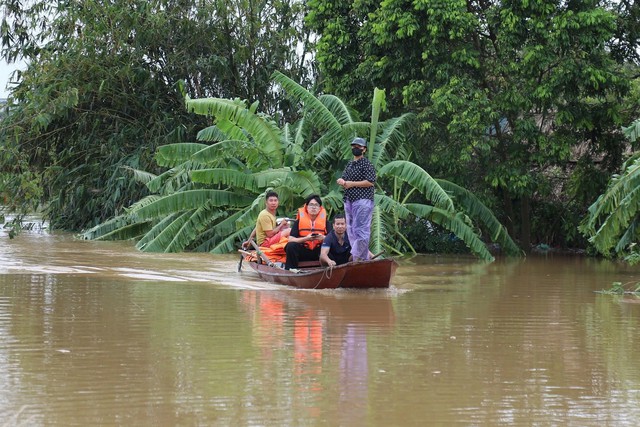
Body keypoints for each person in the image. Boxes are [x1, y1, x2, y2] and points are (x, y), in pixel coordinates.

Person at [336, 137, 376, 261]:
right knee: (351, 230)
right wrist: (342, 181)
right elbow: (344, 179)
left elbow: (370, 182)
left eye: (358, 147)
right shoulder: (350, 164)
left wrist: (351, 183)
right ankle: (364, 256)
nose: (355, 148)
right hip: (349, 200)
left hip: (362, 200)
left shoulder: (367, 164)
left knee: (362, 230)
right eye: (353, 146)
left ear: (364, 149)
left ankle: (357, 256)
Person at [285, 195, 330, 270]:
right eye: (311, 205)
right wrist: (306, 238)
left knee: (330, 246)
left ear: (320, 208)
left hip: (319, 252)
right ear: (306, 207)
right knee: (290, 246)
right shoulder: (298, 222)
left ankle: (331, 269)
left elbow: (332, 239)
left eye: (316, 205)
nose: (313, 207)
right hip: (303, 251)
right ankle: (291, 270)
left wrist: (323, 238)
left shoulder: (326, 222)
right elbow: (291, 239)